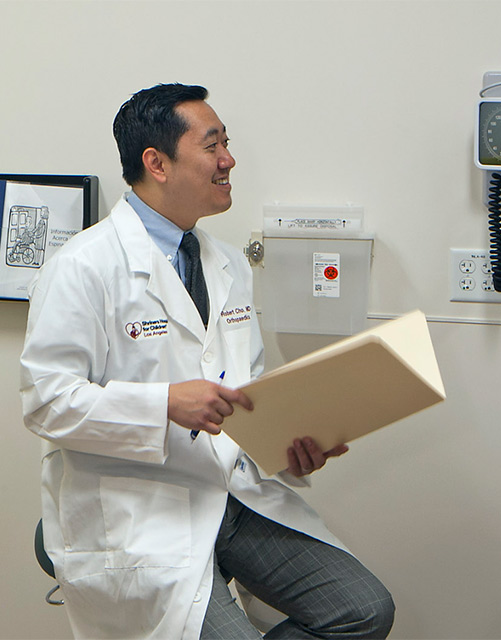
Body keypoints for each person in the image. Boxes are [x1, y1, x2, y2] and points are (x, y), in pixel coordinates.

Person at [21, 83, 394, 639]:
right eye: (212, 146)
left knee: (364, 610)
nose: (229, 160)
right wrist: (164, 403)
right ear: (157, 163)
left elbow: (247, 393)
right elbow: (46, 402)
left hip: (229, 494)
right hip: (136, 508)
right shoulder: (83, 266)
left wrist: (290, 444)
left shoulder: (227, 265)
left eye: (227, 144)